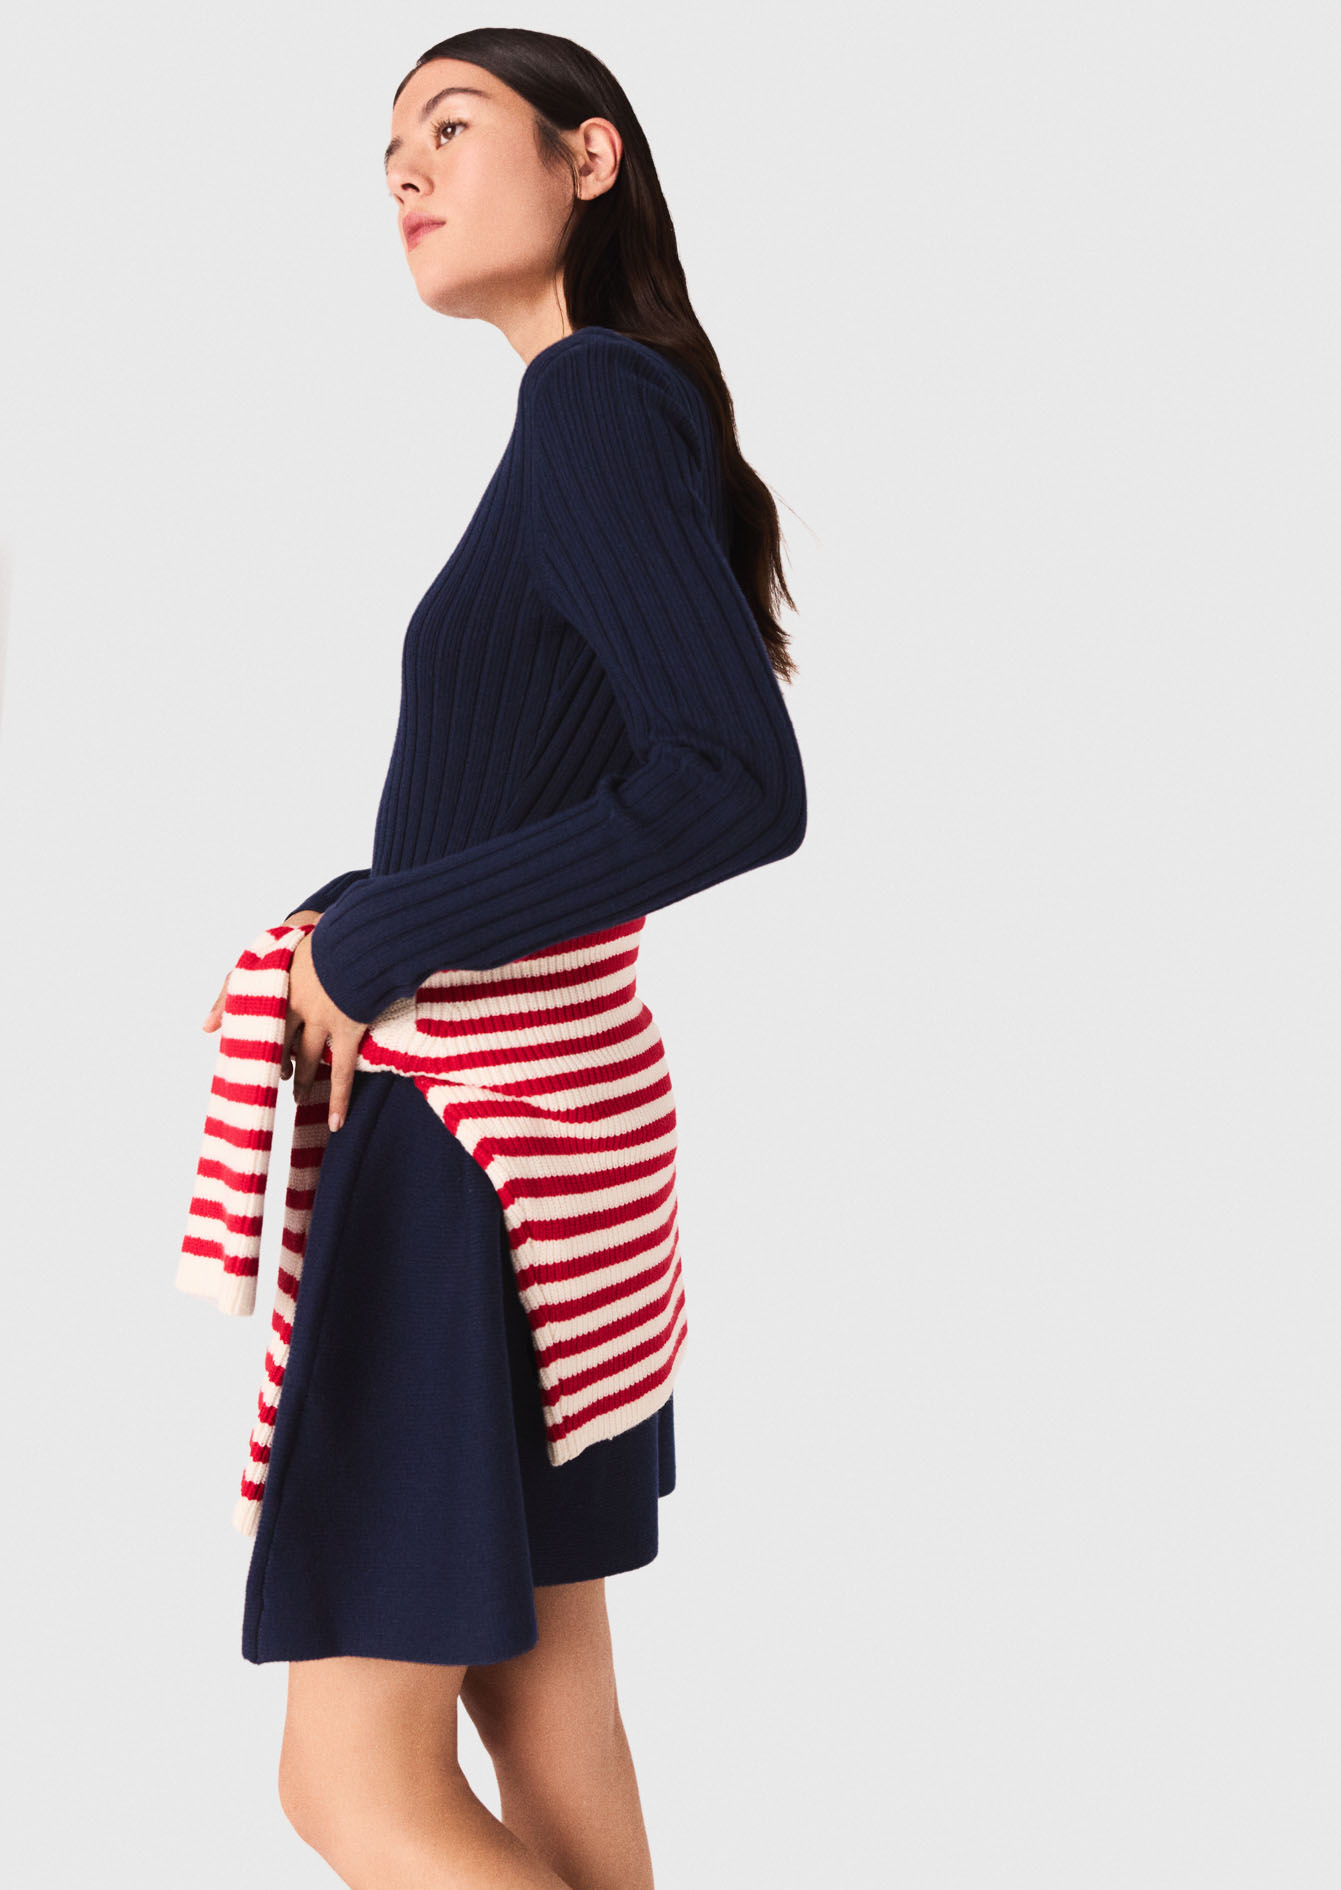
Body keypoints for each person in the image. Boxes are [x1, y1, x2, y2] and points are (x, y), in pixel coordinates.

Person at [198, 27, 806, 1887]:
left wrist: (388, 926)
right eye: (387, 148)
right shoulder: (615, 411)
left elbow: (734, 785)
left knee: (348, 1785)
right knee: (546, 1707)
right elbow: (570, 778)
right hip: (559, 1148)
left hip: (478, 1155)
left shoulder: (592, 403)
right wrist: (362, 903)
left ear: (587, 159)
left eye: (450, 126)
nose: (405, 169)